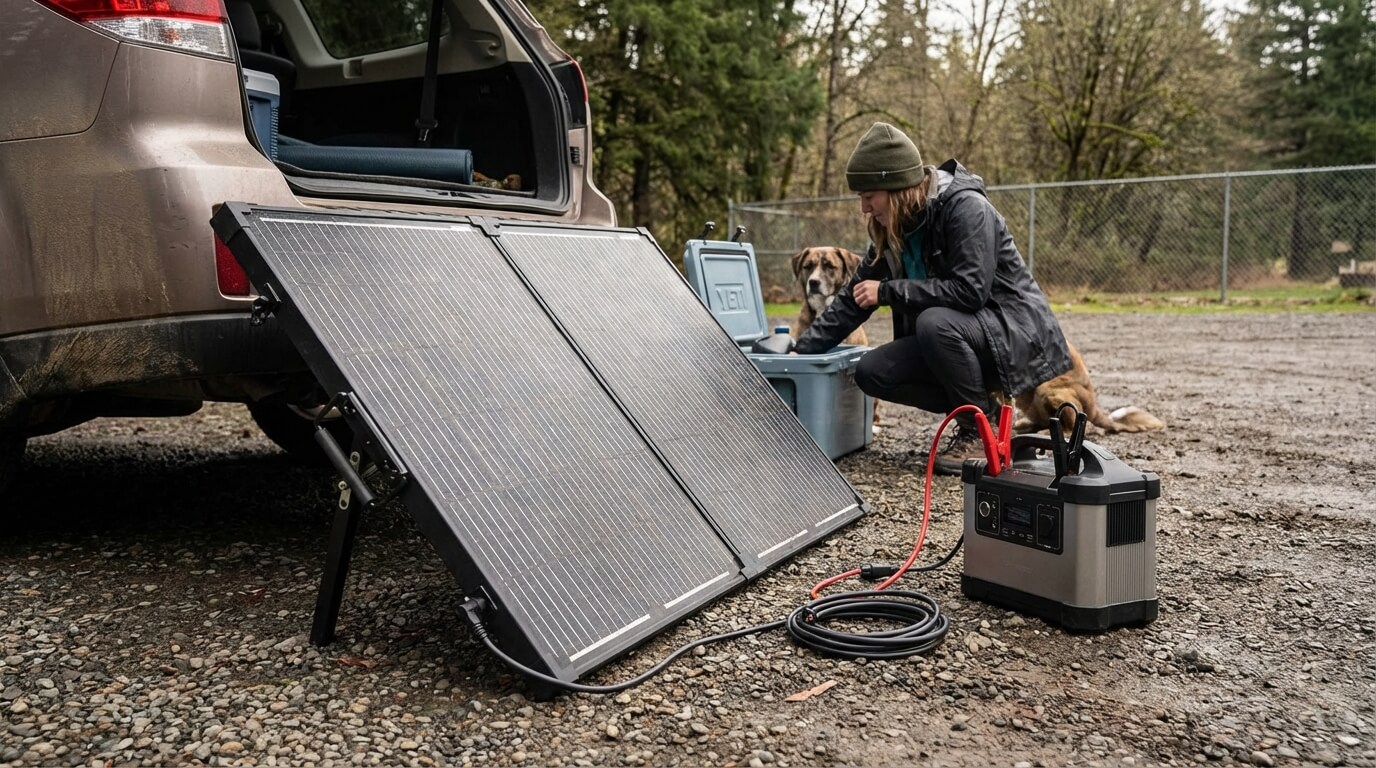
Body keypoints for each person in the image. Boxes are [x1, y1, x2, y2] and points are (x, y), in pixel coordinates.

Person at [794, 122, 1072, 475]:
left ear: (896, 187)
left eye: (870, 196)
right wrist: (799, 351)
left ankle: (978, 432)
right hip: (960, 340)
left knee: (934, 321)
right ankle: (982, 410)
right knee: (871, 372)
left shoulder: (966, 209)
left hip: (1013, 337)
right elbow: (852, 300)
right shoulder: (894, 229)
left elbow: (970, 291)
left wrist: (888, 291)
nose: (864, 207)